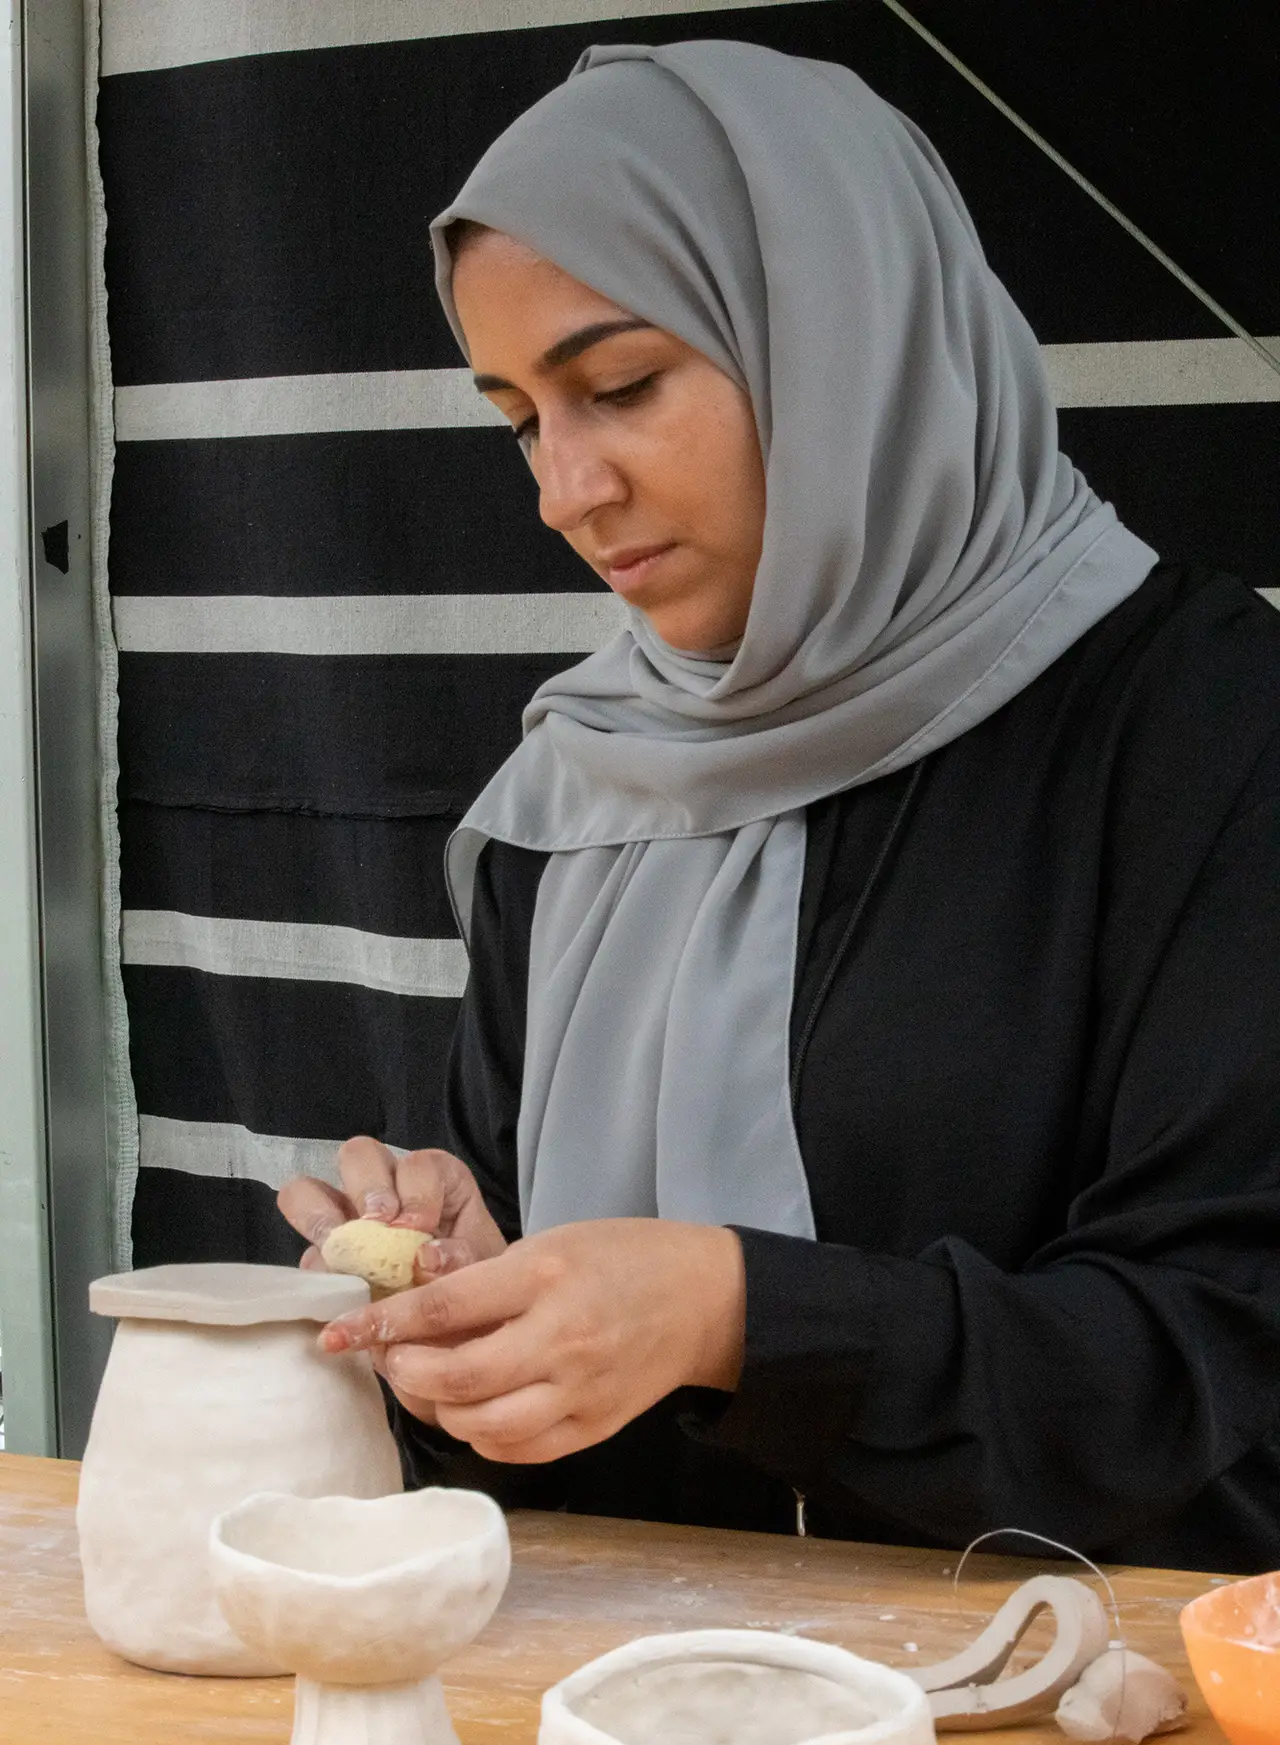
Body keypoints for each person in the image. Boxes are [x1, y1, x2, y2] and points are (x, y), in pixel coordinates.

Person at [278, 40, 1280, 1574]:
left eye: (619, 387)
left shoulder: (1206, 728)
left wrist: (729, 1312)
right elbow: (540, 1452)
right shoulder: (586, 781)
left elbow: (1214, 1358)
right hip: (654, 1729)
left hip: (1106, 1733)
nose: (566, 490)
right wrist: (479, 1316)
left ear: (846, 339)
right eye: (521, 420)